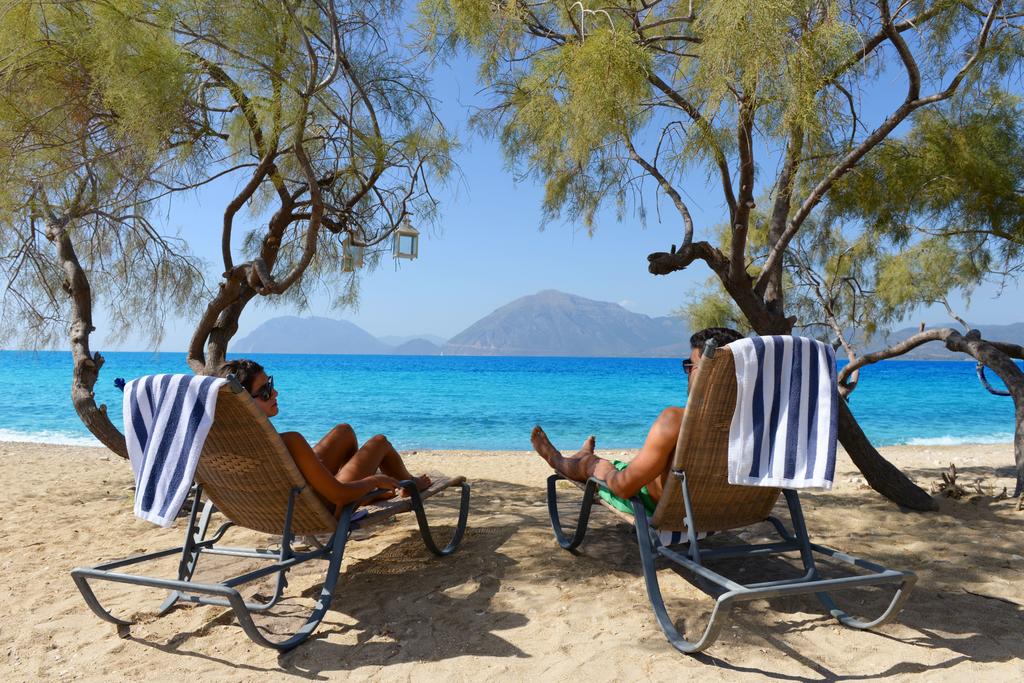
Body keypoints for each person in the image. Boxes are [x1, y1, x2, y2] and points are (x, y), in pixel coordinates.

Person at [530, 327, 743, 515]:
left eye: (690, 365)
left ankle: (560, 459)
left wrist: (603, 469)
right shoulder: (757, 424)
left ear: (711, 372)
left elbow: (624, 488)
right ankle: (584, 456)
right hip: (724, 511)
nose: (686, 373)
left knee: (594, 465)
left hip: (658, 506)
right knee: (630, 465)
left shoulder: (675, 420)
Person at [218, 359, 431, 511]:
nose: (275, 393)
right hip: (320, 507)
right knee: (379, 442)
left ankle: (363, 495)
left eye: (271, 385)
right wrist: (373, 480)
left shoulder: (224, 441)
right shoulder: (289, 440)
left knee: (344, 431)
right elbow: (338, 494)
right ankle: (408, 485)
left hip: (276, 507)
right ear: (243, 403)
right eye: (265, 391)